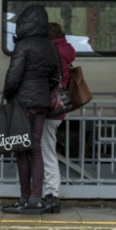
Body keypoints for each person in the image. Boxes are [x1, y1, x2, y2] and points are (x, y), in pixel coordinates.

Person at [1, 5, 58, 215]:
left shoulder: (23, 45)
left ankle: (24, 198)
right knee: (36, 150)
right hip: (41, 105)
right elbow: (56, 76)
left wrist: (8, 95)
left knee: (20, 151)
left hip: (22, 104)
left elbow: (13, 77)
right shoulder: (50, 46)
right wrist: (43, 93)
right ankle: (36, 198)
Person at [41, 22, 77, 214]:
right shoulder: (65, 50)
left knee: (46, 152)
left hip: (48, 108)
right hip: (58, 110)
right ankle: (45, 193)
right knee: (45, 150)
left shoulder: (51, 52)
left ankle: (52, 195)